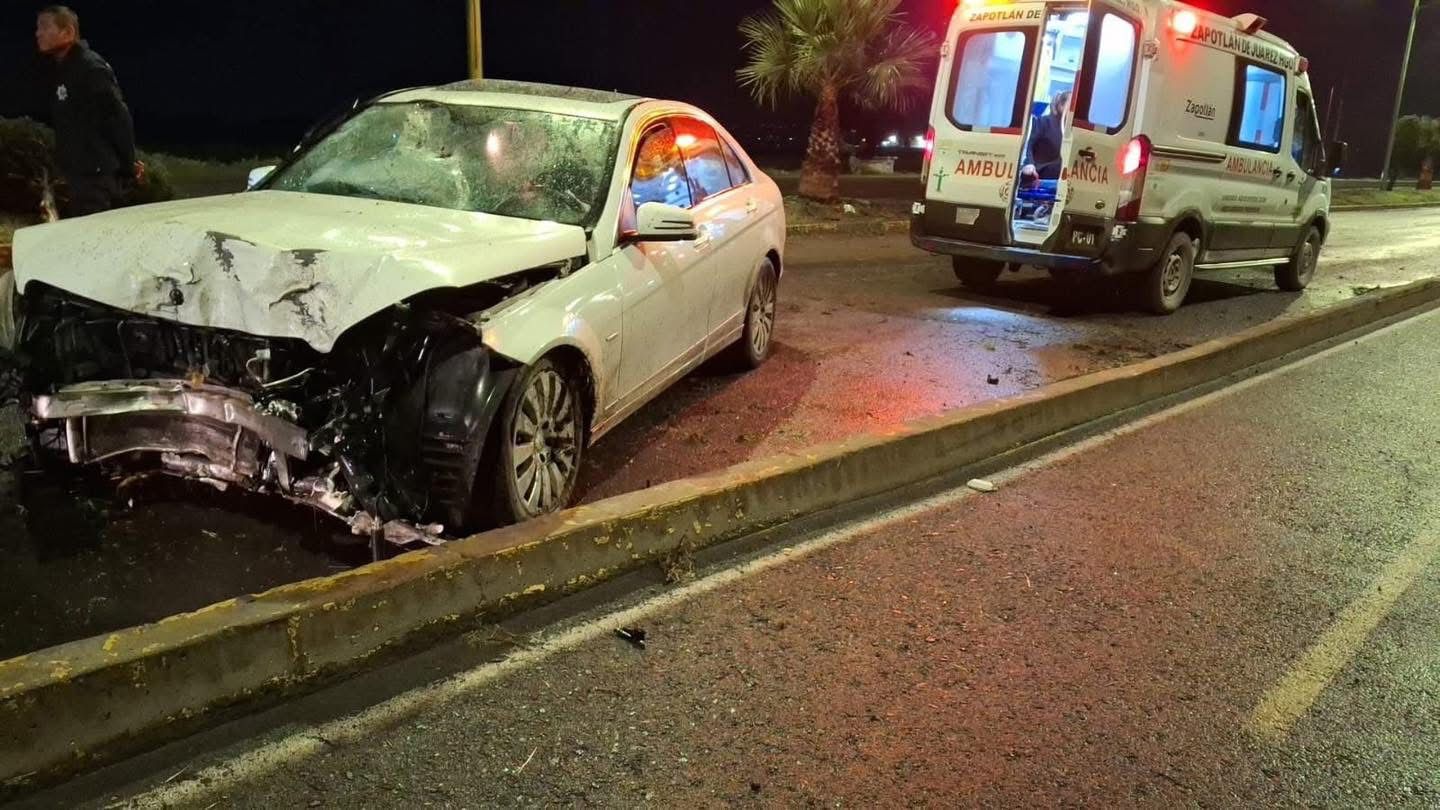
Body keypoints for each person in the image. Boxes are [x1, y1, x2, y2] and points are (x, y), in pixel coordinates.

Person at [34, 5, 141, 217]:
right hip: (81, 177)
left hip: (97, 178)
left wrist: (128, 165)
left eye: (45, 27)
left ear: (68, 32)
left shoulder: (90, 67)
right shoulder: (64, 69)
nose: (38, 33)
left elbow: (117, 117)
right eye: (38, 28)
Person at [1021, 89, 1071, 186]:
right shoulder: (1044, 122)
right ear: (1061, 106)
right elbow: (1029, 145)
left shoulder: (1069, 130)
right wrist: (1029, 163)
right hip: (1040, 171)